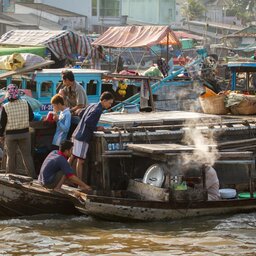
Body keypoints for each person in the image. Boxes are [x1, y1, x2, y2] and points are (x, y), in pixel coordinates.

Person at [68, 91, 114, 180]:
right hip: (83, 137)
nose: (110, 105)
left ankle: (65, 178)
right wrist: (97, 128)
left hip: (77, 133)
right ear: (104, 101)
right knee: (80, 161)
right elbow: (88, 122)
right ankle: (79, 183)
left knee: (72, 157)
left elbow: (80, 113)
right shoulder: (98, 110)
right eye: (109, 103)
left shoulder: (92, 105)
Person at [0, 84, 36, 178]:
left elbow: (2, 123)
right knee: (27, 156)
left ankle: (10, 177)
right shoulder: (25, 102)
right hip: (24, 133)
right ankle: (32, 176)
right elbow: (31, 117)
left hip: (11, 135)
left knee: (10, 157)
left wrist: (1, 135)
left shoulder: (5, 106)